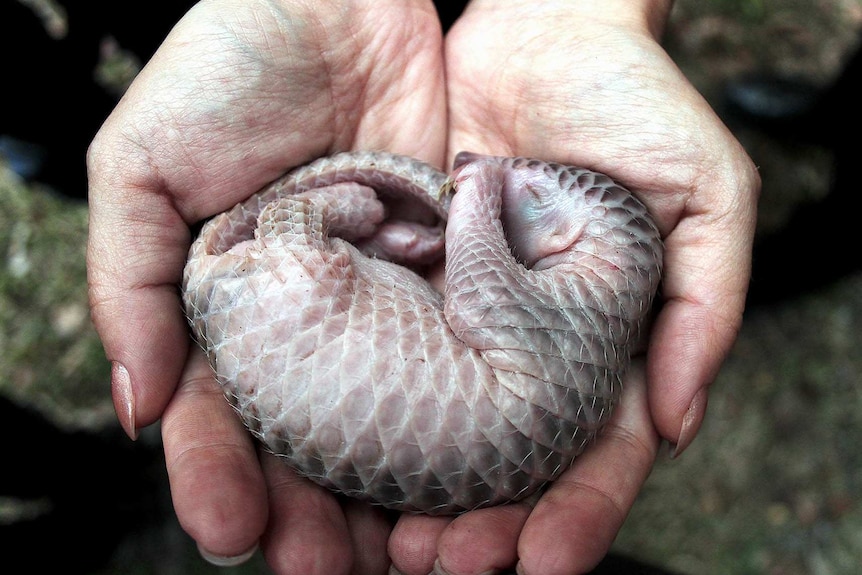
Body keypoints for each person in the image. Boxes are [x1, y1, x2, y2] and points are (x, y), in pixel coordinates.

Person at [86, 1, 760, 574]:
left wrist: (478, 187)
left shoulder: (568, 315)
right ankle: (316, 222)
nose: (496, 177)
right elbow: (469, 292)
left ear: (575, 236)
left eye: (528, 192)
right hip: (299, 316)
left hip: (296, 313)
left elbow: (473, 288)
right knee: (356, 260)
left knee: (352, 262)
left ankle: (317, 221)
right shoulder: (586, 348)